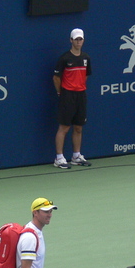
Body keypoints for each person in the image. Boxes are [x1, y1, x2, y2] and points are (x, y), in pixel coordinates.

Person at [52, 29, 91, 168]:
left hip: (81, 95)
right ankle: (59, 158)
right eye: (76, 39)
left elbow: (85, 76)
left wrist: (78, 86)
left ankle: (76, 156)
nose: (78, 42)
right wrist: (61, 93)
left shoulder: (86, 58)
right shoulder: (65, 58)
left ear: (83, 41)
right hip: (67, 95)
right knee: (64, 127)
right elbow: (56, 78)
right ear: (71, 40)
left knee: (78, 127)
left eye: (80, 39)